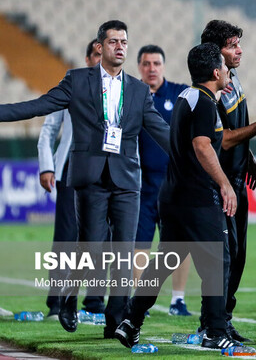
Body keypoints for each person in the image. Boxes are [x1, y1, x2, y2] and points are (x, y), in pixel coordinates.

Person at [0, 20, 170, 338]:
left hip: (127, 180)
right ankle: (67, 300)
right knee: (89, 247)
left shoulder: (137, 89)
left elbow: (163, 131)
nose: (120, 46)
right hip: (89, 177)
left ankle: (114, 318)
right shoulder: (77, 80)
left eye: (124, 42)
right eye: (113, 41)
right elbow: (38, 106)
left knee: (123, 248)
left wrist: (199, 156)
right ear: (99, 47)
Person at [115, 42, 242, 351]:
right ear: (215, 72)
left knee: (162, 263)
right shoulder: (203, 102)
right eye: (225, 68)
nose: (229, 72)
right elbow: (202, 145)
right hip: (197, 198)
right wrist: (224, 183)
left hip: (172, 196)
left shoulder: (187, 95)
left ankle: (131, 320)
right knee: (218, 261)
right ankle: (214, 330)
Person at [200, 20, 256, 341]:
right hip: (219, 184)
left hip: (237, 178)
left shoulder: (233, 80)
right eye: (232, 45)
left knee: (238, 254)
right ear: (215, 52)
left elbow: (237, 129)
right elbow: (225, 139)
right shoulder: (211, 90)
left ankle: (223, 318)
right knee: (225, 255)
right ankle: (212, 323)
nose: (239, 50)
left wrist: (250, 160)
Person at [38, 39, 106, 319]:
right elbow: (49, 128)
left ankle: (94, 302)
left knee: (103, 239)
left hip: (108, 171)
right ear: (89, 58)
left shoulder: (120, 89)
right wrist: (47, 165)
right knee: (66, 237)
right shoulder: (71, 85)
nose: (101, 59)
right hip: (71, 170)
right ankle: (56, 301)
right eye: (96, 54)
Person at [133, 44, 193, 316]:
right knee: (140, 244)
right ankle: (140, 302)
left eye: (156, 63)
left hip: (175, 183)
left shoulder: (180, 93)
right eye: (146, 64)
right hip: (142, 185)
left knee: (180, 245)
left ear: (164, 66)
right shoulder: (132, 96)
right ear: (139, 68)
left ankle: (178, 299)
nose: (151, 68)